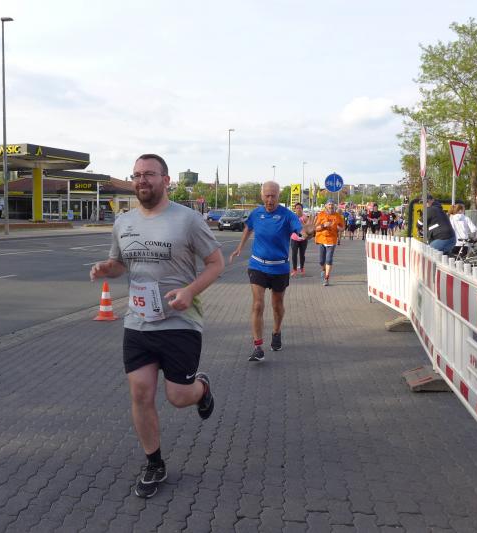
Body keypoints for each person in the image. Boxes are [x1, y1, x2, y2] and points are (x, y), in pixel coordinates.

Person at [90, 153, 224, 499]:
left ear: (166, 180)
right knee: (140, 393)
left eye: (149, 174)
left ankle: (201, 390)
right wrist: (107, 269)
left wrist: (190, 291)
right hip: (138, 320)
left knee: (178, 396)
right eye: (136, 175)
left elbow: (215, 263)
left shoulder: (188, 219)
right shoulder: (123, 222)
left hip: (180, 320)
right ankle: (154, 463)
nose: (142, 180)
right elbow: (120, 264)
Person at [230, 182, 313, 362]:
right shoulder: (256, 213)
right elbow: (248, 228)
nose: (270, 199)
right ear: (262, 196)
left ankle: (276, 331)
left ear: (278, 196)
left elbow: (301, 231)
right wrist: (239, 247)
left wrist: (308, 232)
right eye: (267, 196)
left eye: (273, 196)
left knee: (277, 304)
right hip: (257, 265)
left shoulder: (288, 215)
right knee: (257, 304)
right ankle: (258, 347)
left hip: (279, 267)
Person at [314, 199, 345, 286]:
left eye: (332, 204)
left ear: (334, 206)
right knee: (321, 261)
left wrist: (339, 228)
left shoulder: (338, 216)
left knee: (329, 259)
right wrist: (323, 225)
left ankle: (326, 278)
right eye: (329, 204)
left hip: (332, 240)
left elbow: (343, 228)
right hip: (322, 239)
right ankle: (323, 269)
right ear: (326, 206)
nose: (331, 206)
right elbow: (315, 228)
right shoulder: (321, 214)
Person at [290, 202, 309, 277]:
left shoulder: (305, 217)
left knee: (302, 254)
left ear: (302, 209)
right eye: (297, 208)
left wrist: (304, 225)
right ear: (295, 209)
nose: (298, 209)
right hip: (294, 238)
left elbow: (308, 228)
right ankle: (294, 270)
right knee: (294, 254)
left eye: (300, 208)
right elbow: (290, 227)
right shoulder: (292, 217)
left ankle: (302, 268)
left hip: (303, 239)